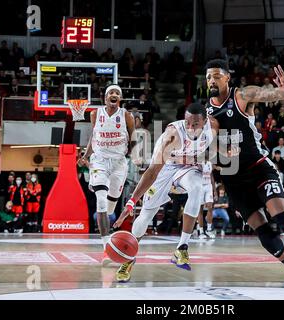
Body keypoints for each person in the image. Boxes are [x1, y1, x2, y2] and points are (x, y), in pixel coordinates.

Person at [203, 59, 284, 288]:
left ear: (227, 77)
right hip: (233, 179)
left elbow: (271, 94)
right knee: (262, 228)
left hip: (258, 166)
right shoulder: (208, 110)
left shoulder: (242, 95)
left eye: (217, 76)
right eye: (209, 76)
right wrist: (220, 151)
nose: (212, 80)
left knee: (280, 217)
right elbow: (209, 143)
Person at [113, 103, 218, 282]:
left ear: (205, 121)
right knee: (146, 215)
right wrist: (131, 202)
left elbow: (217, 147)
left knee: (197, 188)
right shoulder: (172, 136)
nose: (191, 127)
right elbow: (152, 172)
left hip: (188, 167)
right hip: (165, 169)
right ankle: (128, 258)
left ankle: (182, 247)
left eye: (196, 124)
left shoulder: (214, 126)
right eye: (188, 123)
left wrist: (228, 151)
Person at [78, 85, 136, 267]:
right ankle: (106, 249)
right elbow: (93, 138)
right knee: (101, 201)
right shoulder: (95, 114)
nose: (114, 95)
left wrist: (131, 152)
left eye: (117, 93)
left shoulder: (126, 115)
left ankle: (97, 187)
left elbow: (133, 137)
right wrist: (86, 156)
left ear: (120, 99)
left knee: (110, 208)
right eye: (111, 92)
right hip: (100, 160)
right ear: (105, 98)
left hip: (119, 162)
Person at [197, 158, 216, 239]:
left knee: (210, 207)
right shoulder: (197, 162)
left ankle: (208, 229)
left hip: (208, 186)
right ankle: (201, 231)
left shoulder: (209, 163)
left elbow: (211, 176)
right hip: (200, 186)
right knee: (200, 209)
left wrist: (215, 190)